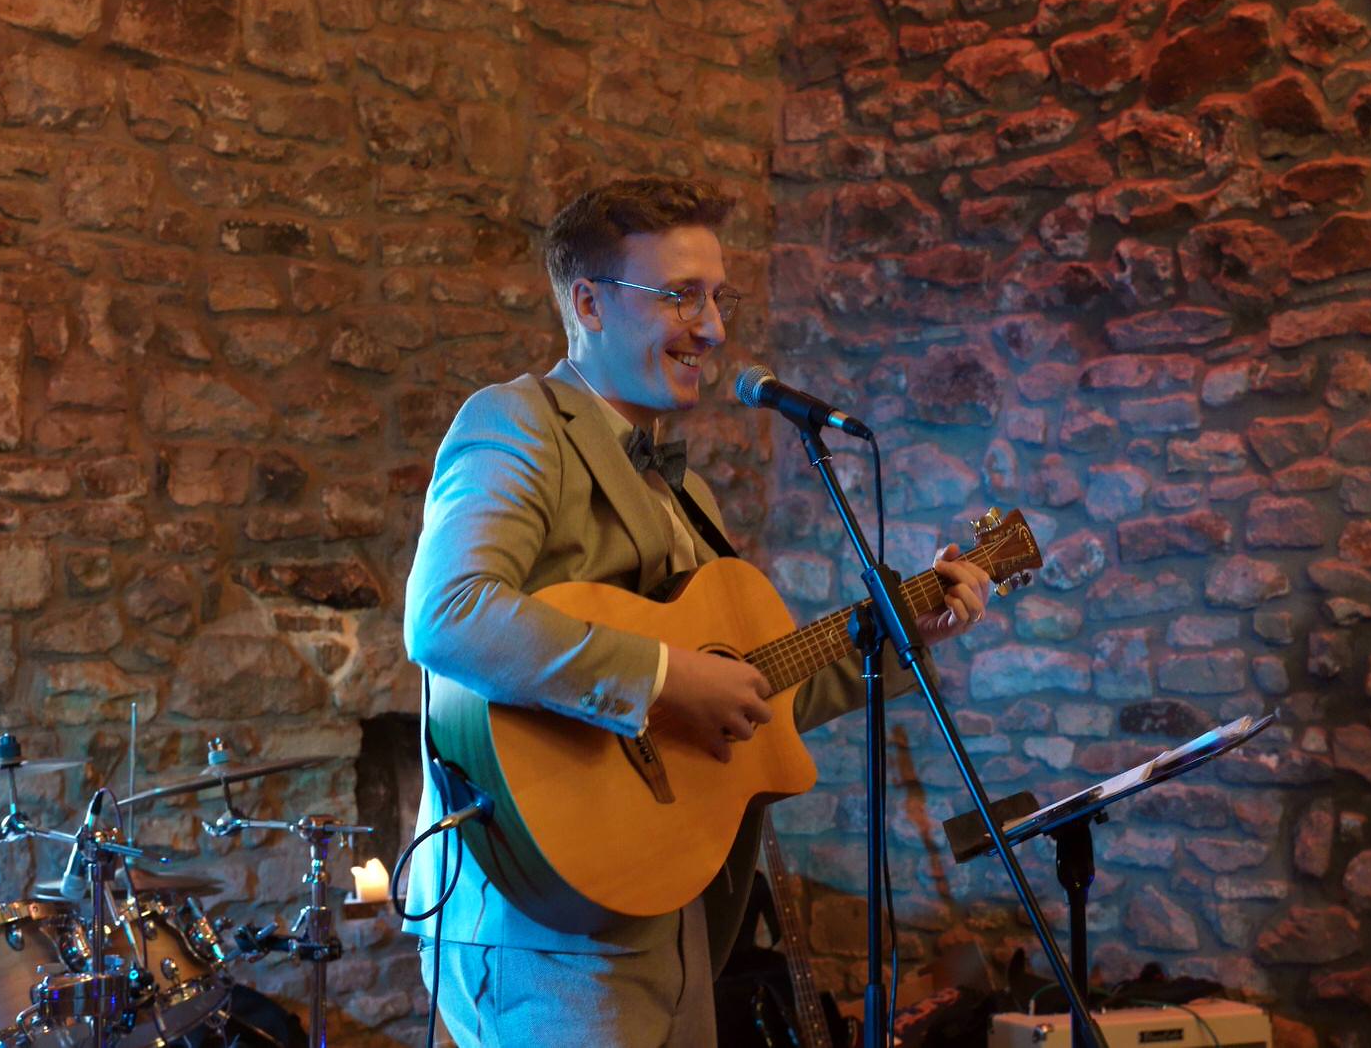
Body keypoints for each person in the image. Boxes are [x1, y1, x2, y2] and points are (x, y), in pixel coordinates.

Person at [401, 177, 994, 1048]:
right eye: (681, 295)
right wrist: (666, 677)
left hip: (671, 909)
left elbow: (755, 692)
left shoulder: (687, 491)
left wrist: (908, 631)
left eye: (719, 297)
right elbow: (447, 613)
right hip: (548, 924)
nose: (713, 329)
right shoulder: (518, 423)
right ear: (590, 302)